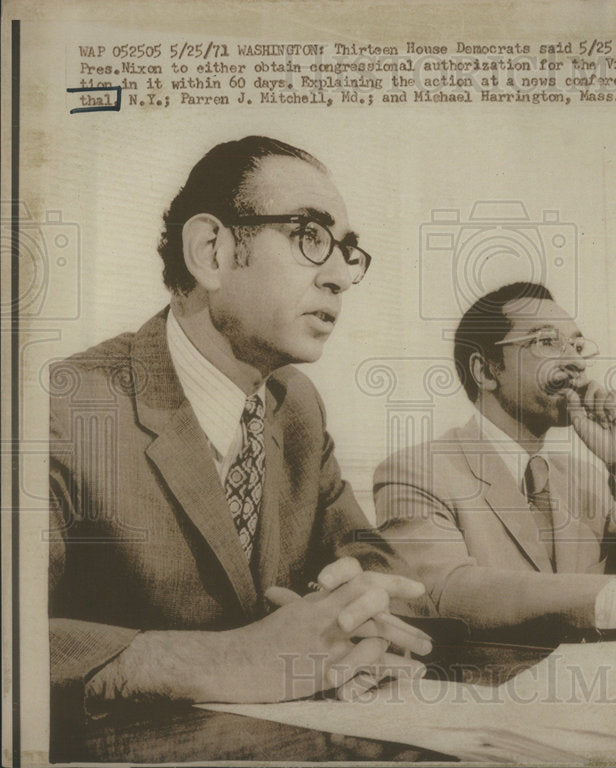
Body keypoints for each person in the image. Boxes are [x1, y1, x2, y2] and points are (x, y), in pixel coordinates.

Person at [48, 136, 432, 731]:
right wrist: (225, 659)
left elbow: (362, 549)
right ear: (211, 252)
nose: (340, 278)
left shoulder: (296, 405)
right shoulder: (63, 407)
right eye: (310, 236)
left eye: (348, 251)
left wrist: (359, 606)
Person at [374, 282, 616, 640]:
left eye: (577, 346)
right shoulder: (418, 471)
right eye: (547, 342)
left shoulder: (585, 480)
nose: (577, 363)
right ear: (485, 370)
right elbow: (444, 593)